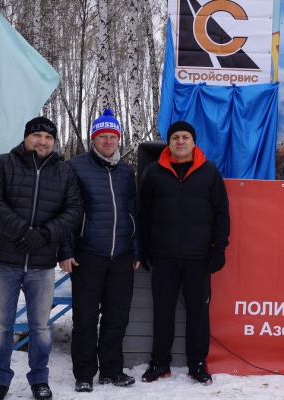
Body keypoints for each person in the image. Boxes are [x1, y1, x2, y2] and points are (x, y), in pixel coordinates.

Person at [0, 116, 83, 400]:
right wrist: (23, 232)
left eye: (48, 137)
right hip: (4, 261)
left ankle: (39, 379)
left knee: (41, 327)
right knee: (1, 326)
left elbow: (74, 211)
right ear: (26, 137)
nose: (42, 141)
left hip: (41, 265)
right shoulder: (3, 164)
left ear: (54, 142)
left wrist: (45, 234)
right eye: (37, 135)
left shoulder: (64, 172)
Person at [138, 120, 230, 385]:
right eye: (175, 137)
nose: (180, 141)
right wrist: (143, 247)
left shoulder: (209, 171)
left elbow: (221, 212)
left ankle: (197, 364)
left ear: (193, 142)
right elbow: (144, 213)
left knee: (198, 314)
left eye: (185, 137)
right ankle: (160, 363)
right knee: (162, 311)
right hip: (163, 255)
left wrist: (219, 248)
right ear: (168, 142)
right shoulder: (154, 172)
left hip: (198, 257)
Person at [58, 109, 141, 393]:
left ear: (118, 139)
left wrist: (136, 249)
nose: (108, 141)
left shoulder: (126, 171)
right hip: (88, 255)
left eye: (112, 136)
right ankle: (84, 373)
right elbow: (65, 211)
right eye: (102, 136)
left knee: (117, 317)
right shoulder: (75, 166)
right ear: (93, 139)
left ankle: (111, 369)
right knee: (85, 318)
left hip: (122, 256)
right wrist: (65, 250)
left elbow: (132, 211)